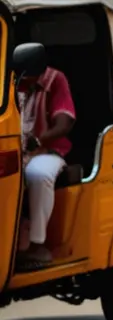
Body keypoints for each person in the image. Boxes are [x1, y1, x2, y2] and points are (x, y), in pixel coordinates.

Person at [15, 65, 76, 271]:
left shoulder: (54, 79)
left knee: (38, 174)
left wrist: (38, 140)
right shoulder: (9, 79)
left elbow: (64, 123)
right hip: (14, 151)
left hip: (47, 151)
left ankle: (37, 244)